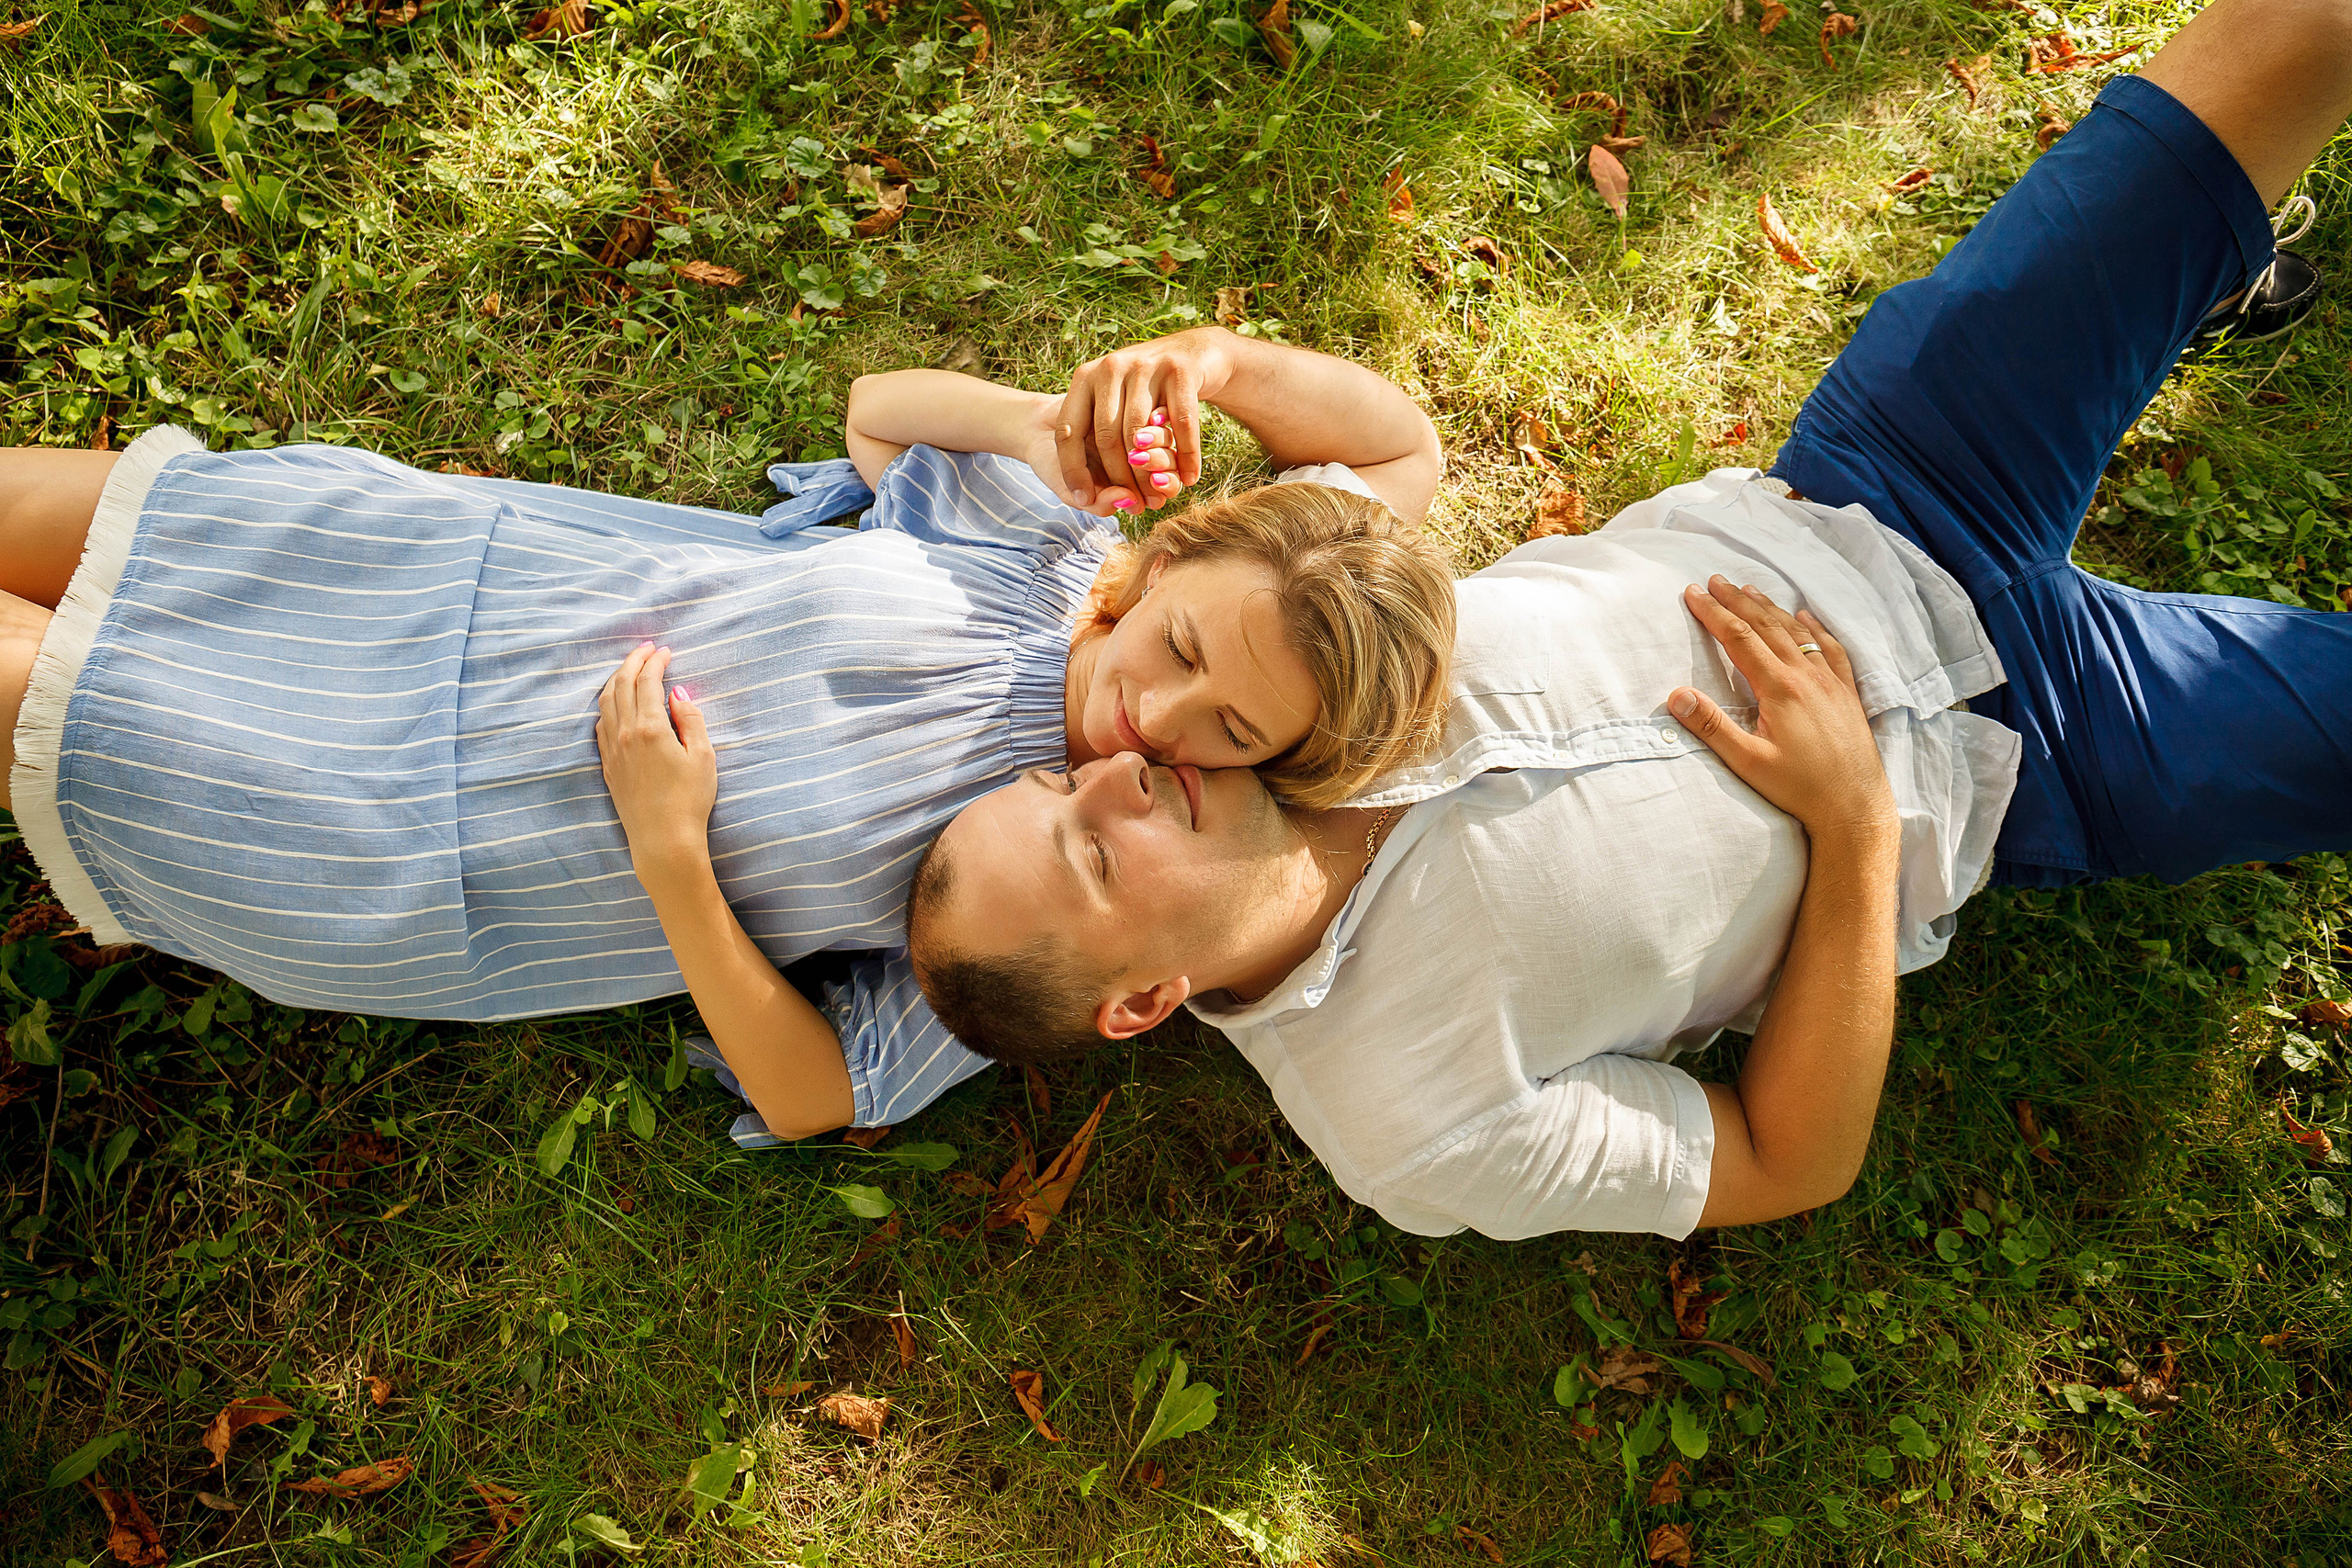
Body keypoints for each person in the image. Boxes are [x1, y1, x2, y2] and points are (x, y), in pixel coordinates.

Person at [901, 0, 2352, 1237]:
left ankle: (2209, 255)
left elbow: (1369, 463)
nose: (1116, 771)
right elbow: (1793, 1160)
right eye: (1093, 848)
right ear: (1141, 1003)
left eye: (1060, 780)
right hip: (2040, 762)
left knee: (2293, 33)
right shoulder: (1405, 1122)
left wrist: (1203, 361)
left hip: (1886, 478)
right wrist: (1849, 829)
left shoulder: (1262, 701)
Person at [0, 334, 1455, 1143]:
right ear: (1175, 557)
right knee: (110, 516)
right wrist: (1086, 403)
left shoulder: (1069, 876)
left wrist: (673, 859)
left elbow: (821, 1093)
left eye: (1235, 732)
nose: (1164, 716)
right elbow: (880, 416)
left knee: (62, 690)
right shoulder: (1044, 553)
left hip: (418, 823)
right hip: (442, 572)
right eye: (1184, 646)